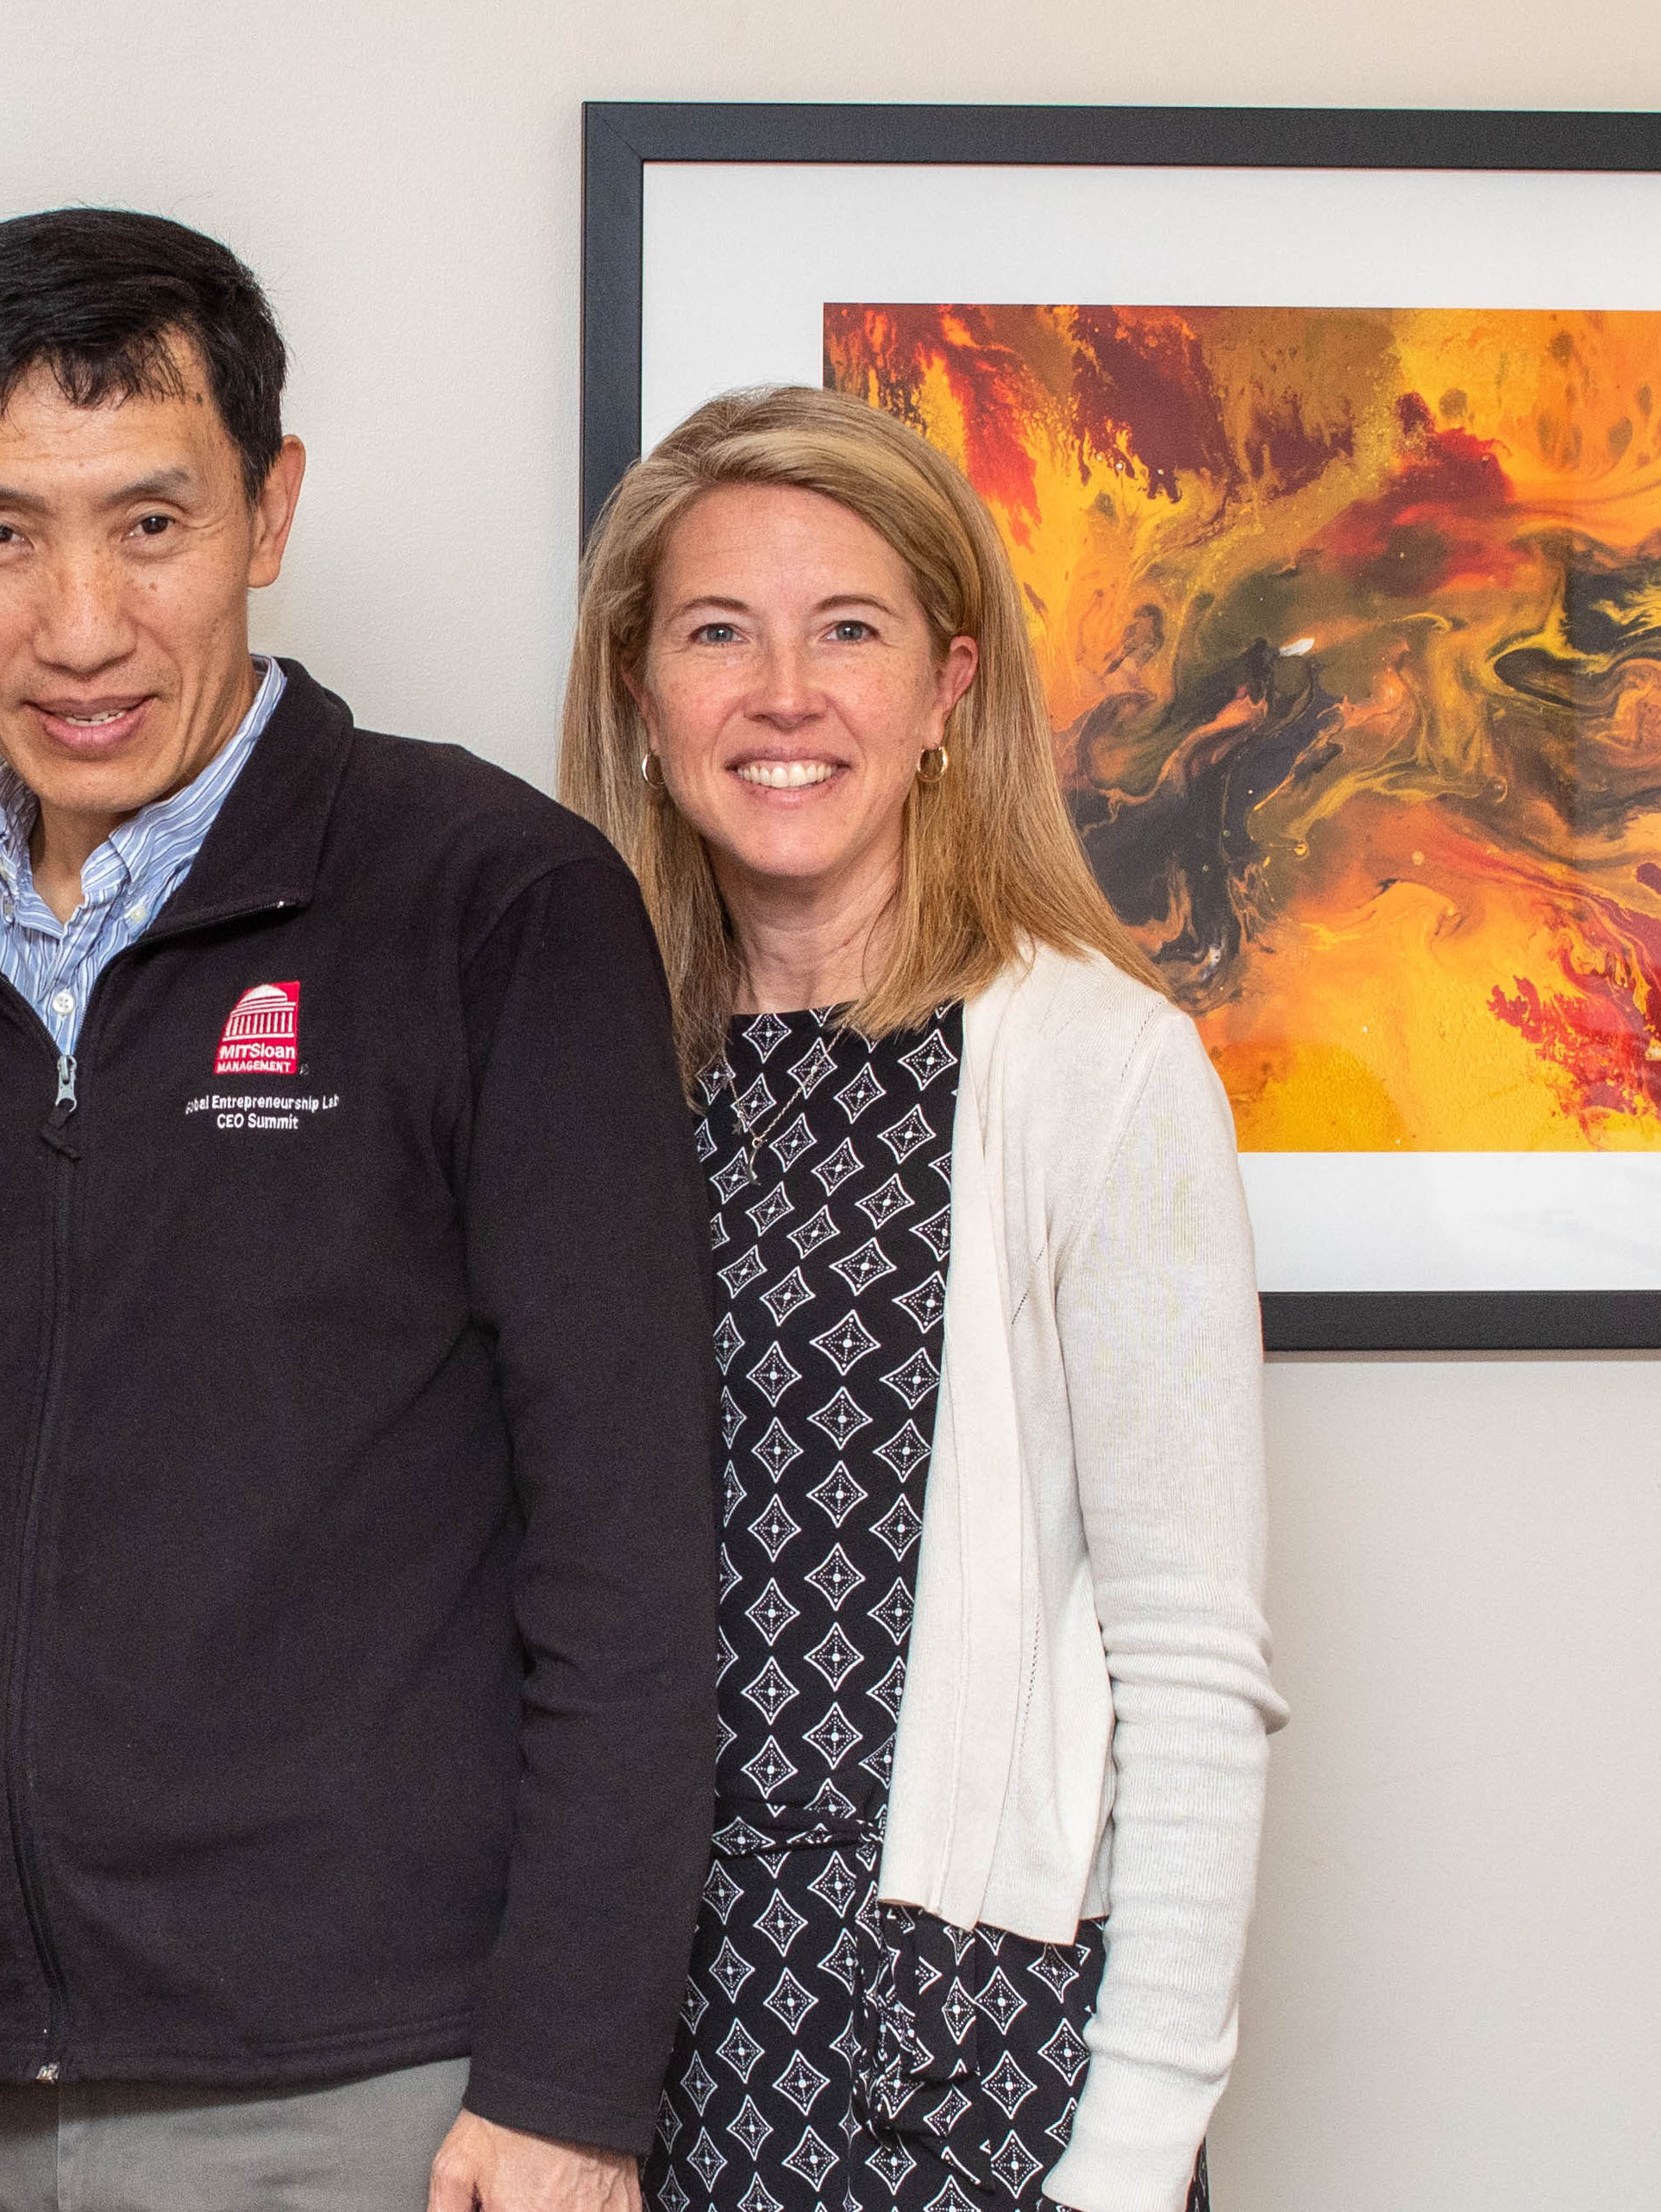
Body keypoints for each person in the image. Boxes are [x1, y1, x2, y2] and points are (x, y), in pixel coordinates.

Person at [0, 209, 718, 2212]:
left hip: (373, 2083)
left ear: (269, 507)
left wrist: (572, 2079)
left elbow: (632, 1551)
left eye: (150, 521)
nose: (77, 625)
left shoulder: (494, 902)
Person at [556, 384, 1283, 2212]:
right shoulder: (576, 1074)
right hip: (616, 2033)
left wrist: (1129, 2154)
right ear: (642, 696)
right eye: (717, 631)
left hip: (964, 2038)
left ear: (949, 691)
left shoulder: (1094, 1069)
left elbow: (1190, 1670)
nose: (782, 690)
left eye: (849, 629)